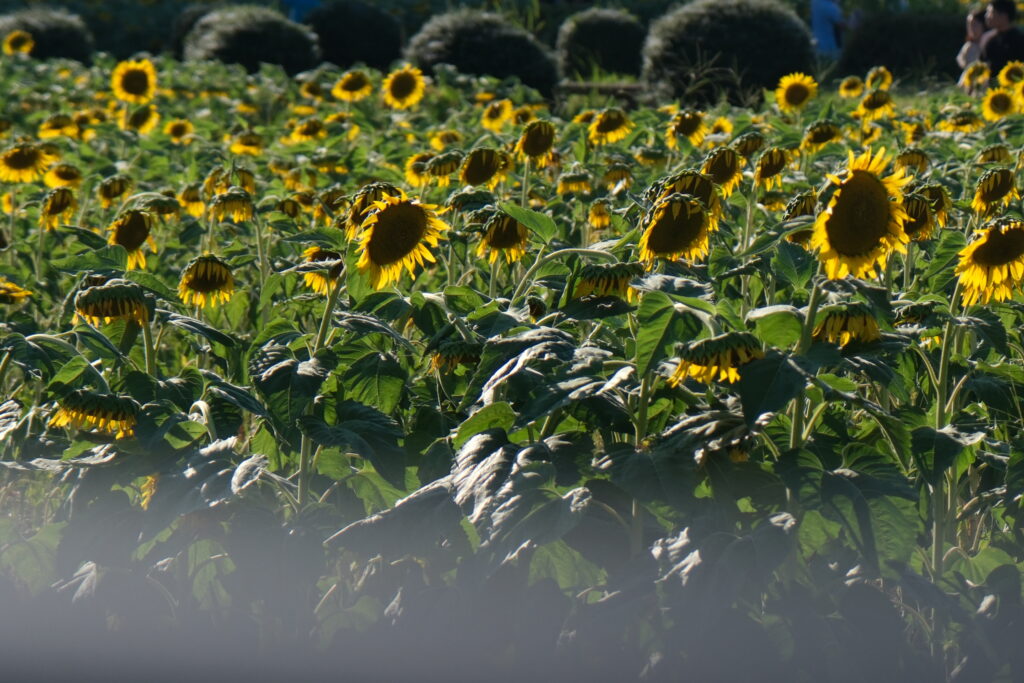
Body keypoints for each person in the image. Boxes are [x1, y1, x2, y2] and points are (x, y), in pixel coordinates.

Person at [980, 0, 1024, 76]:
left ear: (1004, 15)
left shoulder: (1019, 40)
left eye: (991, 12)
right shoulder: (989, 39)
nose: (986, 16)